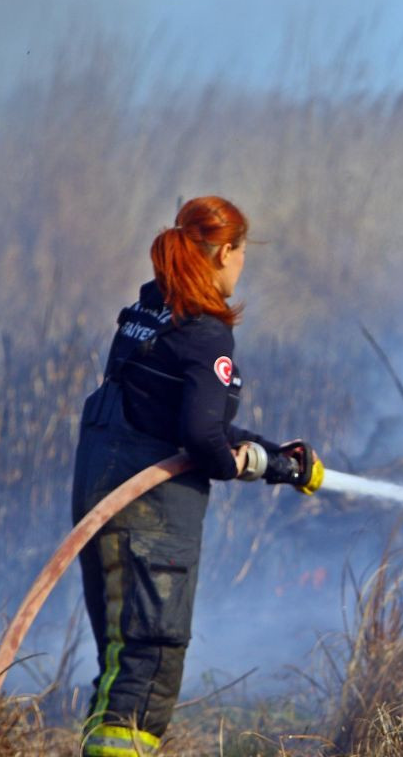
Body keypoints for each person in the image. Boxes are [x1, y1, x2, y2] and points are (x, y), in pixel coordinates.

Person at [71, 196, 321, 756]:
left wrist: (272, 457)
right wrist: (239, 460)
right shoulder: (206, 333)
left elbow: (172, 416)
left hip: (103, 498)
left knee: (121, 660)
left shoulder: (149, 312)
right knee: (150, 661)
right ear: (226, 251)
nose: (241, 266)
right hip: (150, 518)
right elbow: (203, 439)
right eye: (241, 253)